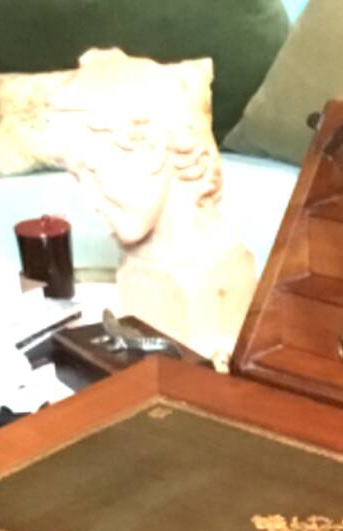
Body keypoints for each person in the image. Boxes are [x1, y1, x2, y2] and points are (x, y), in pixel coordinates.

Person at [47, 48, 257, 368]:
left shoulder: (220, 269)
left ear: (152, 151)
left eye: (92, 171)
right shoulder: (137, 263)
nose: (88, 202)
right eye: (77, 177)